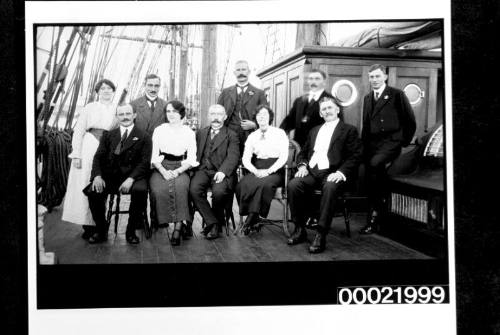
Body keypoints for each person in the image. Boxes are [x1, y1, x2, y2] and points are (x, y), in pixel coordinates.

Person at [287, 97, 362, 253]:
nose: (327, 111)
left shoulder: (349, 130)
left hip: (334, 172)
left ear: (337, 110)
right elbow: (303, 153)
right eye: (324, 109)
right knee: (293, 185)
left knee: (329, 186)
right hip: (313, 172)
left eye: (330, 108)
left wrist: (340, 172)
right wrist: (302, 166)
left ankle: (321, 234)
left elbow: (355, 156)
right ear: (321, 114)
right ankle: (300, 229)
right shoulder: (314, 130)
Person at [359, 64, 416, 234]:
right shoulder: (368, 98)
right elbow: (366, 126)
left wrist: (402, 142)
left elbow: (410, 120)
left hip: (391, 142)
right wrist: (362, 148)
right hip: (372, 144)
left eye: (377, 76)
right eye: (371, 77)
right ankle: (379, 209)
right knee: (365, 171)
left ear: (385, 77)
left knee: (375, 165)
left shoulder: (396, 94)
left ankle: (375, 216)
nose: (374, 80)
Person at [85, 104, 152, 244]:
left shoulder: (144, 136)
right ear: (117, 117)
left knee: (140, 191)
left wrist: (131, 179)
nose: (125, 117)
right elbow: (98, 157)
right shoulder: (108, 135)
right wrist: (97, 176)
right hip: (111, 175)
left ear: (134, 115)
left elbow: (144, 163)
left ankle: (131, 230)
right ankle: (101, 230)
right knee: (93, 192)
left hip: (134, 176)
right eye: (121, 114)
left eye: (128, 113)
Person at [62, 79, 118, 240]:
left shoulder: (116, 109)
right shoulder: (90, 108)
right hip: (88, 146)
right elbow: (79, 130)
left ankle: (100, 224)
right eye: (103, 88)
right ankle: (87, 225)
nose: (106, 91)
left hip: (107, 149)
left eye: (109, 88)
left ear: (113, 91)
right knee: (84, 185)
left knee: (100, 186)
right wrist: (77, 154)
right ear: (98, 91)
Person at [149, 100, 197, 246]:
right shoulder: (159, 130)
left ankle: (178, 227)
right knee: (158, 189)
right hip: (161, 166)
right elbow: (154, 155)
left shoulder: (188, 132)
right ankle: (163, 221)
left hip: (181, 166)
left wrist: (177, 172)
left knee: (181, 188)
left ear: (181, 113)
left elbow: (191, 158)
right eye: (168, 111)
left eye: (174, 111)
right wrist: (163, 171)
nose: (171, 114)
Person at [236, 105, 289, 234]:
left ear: (270, 117)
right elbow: (246, 159)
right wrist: (254, 171)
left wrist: (268, 171)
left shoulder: (279, 133)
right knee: (242, 184)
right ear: (256, 119)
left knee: (264, 184)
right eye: (259, 115)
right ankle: (253, 218)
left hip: (275, 169)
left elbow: (283, 157)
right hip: (257, 168)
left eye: (265, 114)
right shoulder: (252, 136)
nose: (262, 117)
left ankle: (252, 218)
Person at [189, 104, 240, 240]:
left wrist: (223, 171)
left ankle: (215, 222)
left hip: (221, 172)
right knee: (193, 189)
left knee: (219, 192)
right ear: (208, 116)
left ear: (225, 117)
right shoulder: (200, 133)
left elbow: (233, 156)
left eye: (219, 114)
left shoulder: (231, 135)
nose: (216, 118)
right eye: (213, 114)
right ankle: (214, 222)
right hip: (203, 170)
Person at [217, 60, 267, 154]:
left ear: (249, 72)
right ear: (234, 73)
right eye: (238, 70)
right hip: (228, 136)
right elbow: (217, 114)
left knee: (248, 163)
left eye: (243, 69)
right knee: (230, 162)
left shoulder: (259, 93)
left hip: (251, 136)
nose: (241, 73)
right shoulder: (225, 92)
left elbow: (267, 116)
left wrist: (254, 124)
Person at [280, 69, 334, 147]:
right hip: (299, 148)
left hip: (319, 148)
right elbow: (289, 121)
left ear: (324, 82)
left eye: (317, 79)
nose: (313, 82)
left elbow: (335, 127)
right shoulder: (299, 101)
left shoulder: (331, 101)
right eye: (311, 79)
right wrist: (279, 134)